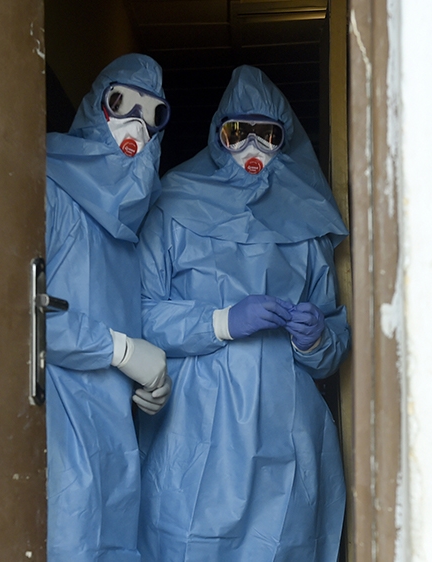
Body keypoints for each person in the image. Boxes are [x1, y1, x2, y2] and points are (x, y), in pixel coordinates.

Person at [135, 65, 350, 561]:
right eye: (238, 133)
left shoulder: (306, 225)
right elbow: (140, 314)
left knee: (283, 543)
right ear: (218, 136)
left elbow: (331, 349)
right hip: (192, 428)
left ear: (285, 140)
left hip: (287, 430)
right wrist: (220, 321)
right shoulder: (172, 205)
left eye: (267, 134)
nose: (252, 148)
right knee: (186, 539)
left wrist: (316, 338)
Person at [45, 54, 174, 562]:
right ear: (96, 105)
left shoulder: (131, 224)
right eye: (123, 104)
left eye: (153, 114)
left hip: (116, 437)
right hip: (59, 419)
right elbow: (20, 314)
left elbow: (132, 315)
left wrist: (151, 382)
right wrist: (119, 350)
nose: (136, 125)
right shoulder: (49, 186)